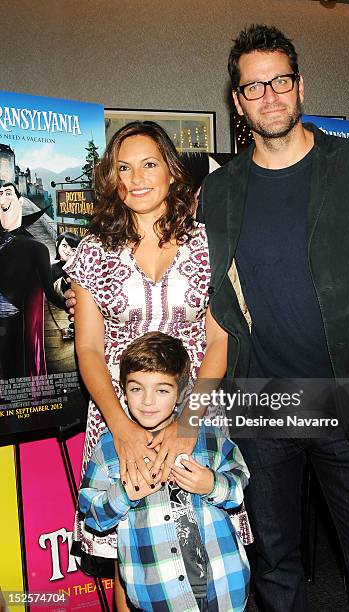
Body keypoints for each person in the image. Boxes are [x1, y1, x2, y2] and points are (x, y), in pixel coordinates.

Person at [198, 24, 349, 611]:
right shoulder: (220, 191)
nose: (269, 95)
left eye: (280, 80)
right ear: (237, 102)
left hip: (348, 397)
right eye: (253, 87)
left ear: (299, 85)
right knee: (275, 568)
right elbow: (212, 297)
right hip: (259, 403)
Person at [64, 121, 228, 606]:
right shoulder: (94, 251)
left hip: (193, 412)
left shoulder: (208, 244)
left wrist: (189, 422)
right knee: (129, 551)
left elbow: (219, 342)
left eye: (149, 164)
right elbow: (89, 349)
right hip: (119, 415)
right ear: (111, 179)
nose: (136, 177)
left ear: (173, 173)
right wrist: (121, 428)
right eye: (123, 167)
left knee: (200, 548)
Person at [78, 331, 250, 612]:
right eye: (136, 389)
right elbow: (93, 516)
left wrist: (211, 484)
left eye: (162, 390)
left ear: (182, 392)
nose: (147, 401)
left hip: (224, 584)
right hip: (159, 595)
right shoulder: (109, 451)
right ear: (122, 389)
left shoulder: (207, 438)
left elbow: (238, 487)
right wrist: (124, 493)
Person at [0, 182, 64, 380]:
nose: (2, 198)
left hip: (18, 329)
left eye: (7, 193)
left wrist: (73, 304)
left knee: (16, 374)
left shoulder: (37, 248)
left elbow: (50, 293)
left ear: (20, 201)